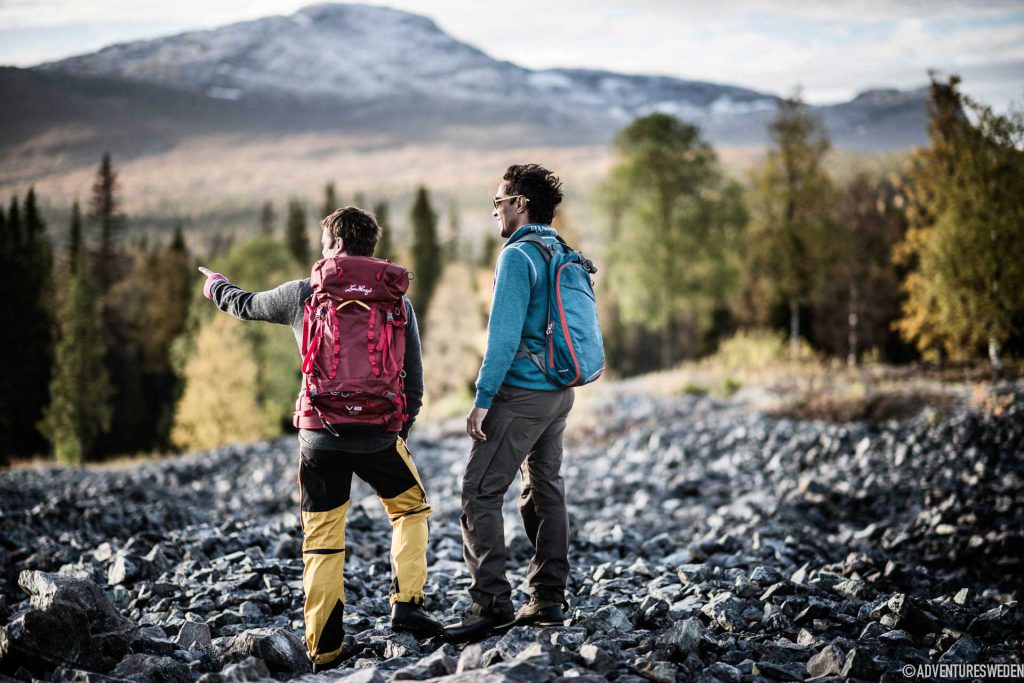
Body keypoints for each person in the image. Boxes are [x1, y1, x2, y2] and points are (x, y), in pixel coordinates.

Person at [197, 207, 443, 672]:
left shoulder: (303, 294)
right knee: (411, 510)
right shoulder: (396, 301)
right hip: (378, 436)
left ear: (332, 245)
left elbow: (244, 303)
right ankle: (407, 604)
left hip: (318, 435)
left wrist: (215, 285)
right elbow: (414, 383)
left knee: (323, 540)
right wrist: (396, 428)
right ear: (371, 246)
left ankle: (325, 651)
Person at [444, 164, 576, 643]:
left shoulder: (518, 255)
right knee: (545, 489)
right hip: (560, 392)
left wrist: (483, 399)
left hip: (522, 393)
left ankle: (491, 605)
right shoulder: (560, 250)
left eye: (498, 201)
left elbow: (502, 336)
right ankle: (547, 600)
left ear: (520, 203)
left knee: (479, 491)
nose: (495, 210)